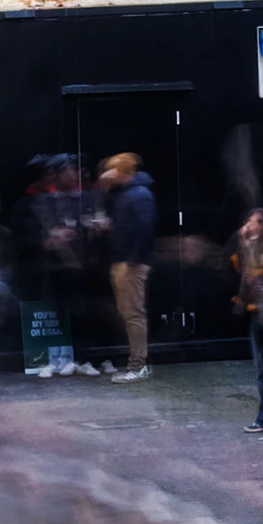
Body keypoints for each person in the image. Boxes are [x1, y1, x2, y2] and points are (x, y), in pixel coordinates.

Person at [96, 154, 159, 382]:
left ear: (123, 172)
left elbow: (146, 229)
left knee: (133, 314)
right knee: (128, 313)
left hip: (130, 263)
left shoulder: (139, 195)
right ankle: (136, 361)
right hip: (123, 260)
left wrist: (134, 261)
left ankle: (138, 365)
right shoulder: (123, 194)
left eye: (113, 170)